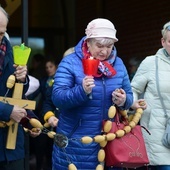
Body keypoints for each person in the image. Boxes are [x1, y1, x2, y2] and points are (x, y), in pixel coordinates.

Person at [48, 18, 133, 170]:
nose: (104, 51)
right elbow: (57, 98)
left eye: (110, 46)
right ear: (88, 42)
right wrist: (81, 91)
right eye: (99, 45)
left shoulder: (118, 64)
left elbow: (130, 96)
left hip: (110, 142)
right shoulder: (70, 63)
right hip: (76, 143)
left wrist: (123, 99)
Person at [0, 6, 40, 170]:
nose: (1, 38)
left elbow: (18, 94)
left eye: (2, 33)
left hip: (12, 147)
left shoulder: (8, 48)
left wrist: (28, 120)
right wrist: (8, 111)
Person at [131, 21, 170, 170]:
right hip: (157, 134)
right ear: (163, 42)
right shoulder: (150, 63)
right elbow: (132, 90)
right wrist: (134, 103)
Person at [32, 58, 59, 170]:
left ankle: (50, 165)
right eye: (46, 67)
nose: (48, 69)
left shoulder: (62, 80)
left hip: (58, 116)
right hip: (45, 113)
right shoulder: (43, 81)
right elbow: (36, 94)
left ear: (56, 66)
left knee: (53, 144)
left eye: (51, 67)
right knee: (41, 142)